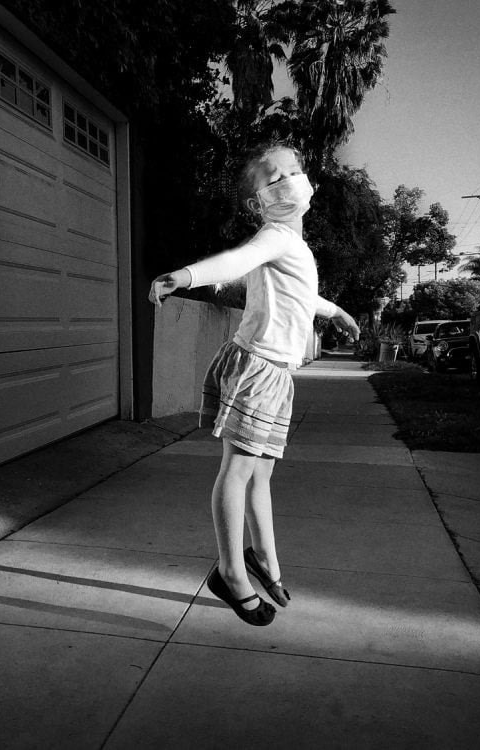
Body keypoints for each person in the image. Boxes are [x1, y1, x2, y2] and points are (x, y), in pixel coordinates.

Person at [148, 143, 359, 626]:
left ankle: (264, 559)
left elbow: (302, 294)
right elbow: (237, 262)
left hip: (275, 373)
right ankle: (231, 573)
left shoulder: (295, 246)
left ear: (310, 184)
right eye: (272, 178)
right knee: (239, 471)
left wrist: (337, 311)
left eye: (293, 170)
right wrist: (186, 275)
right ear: (256, 202)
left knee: (261, 473)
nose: (287, 180)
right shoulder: (276, 236)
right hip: (259, 368)